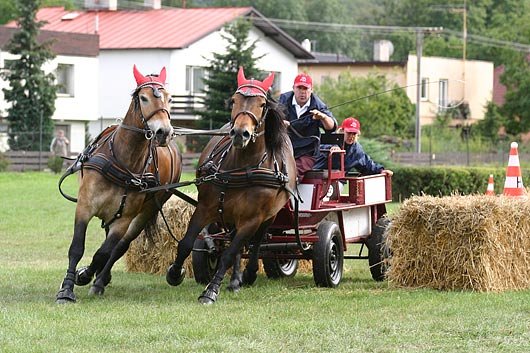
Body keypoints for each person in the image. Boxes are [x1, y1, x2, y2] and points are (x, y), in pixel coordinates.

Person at [279, 73, 337, 179]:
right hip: (284, 148)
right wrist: (280, 123)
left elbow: (332, 127)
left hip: (307, 152)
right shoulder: (283, 99)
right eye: (299, 88)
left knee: (290, 174)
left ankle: (288, 194)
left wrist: (323, 117)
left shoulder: (318, 105)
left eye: (305, 88)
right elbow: (271, 119)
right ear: (293, 88)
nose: (302, 92)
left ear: (311, 90)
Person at [314, 117, 393, 177]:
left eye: (354, 134)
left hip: (338, 180)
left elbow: (367, 164)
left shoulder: (356, 149)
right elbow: (320, 146)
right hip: (317, 176)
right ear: (342, 131)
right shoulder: (331, 138)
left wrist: (381, 171)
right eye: (349, 133)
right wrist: (332, 148)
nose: (351, 136)